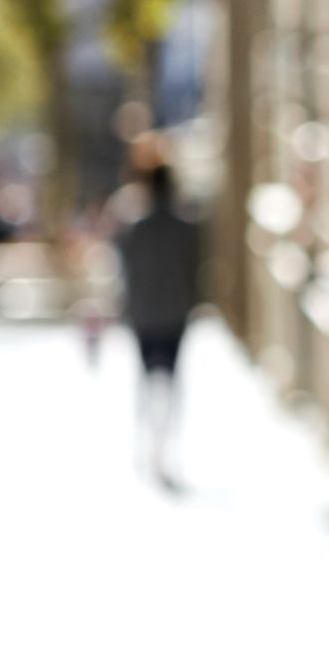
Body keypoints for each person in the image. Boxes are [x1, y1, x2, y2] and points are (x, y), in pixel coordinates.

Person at [112, 157, 206, 487]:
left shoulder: (134, 228)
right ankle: (160, 447)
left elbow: (125, 274)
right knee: (170, 380)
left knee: (146, 379)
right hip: (173, 312)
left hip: (145, 313)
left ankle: (149, 446)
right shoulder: (186, 228)